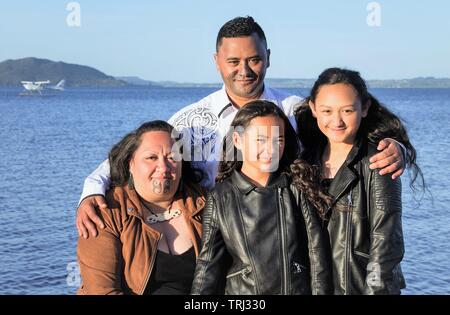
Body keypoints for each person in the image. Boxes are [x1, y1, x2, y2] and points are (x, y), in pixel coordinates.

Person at [76, 16, 405, 239]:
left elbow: (349, 123)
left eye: (254, 59)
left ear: (268, 57)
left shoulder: (295, 112)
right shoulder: (191, 122)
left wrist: (398, 148)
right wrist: (91, 192)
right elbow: (133, 157)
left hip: (287, 244)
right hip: (213, 243)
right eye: (233, 61)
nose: (244, 70)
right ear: (217, 61)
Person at [295, 68, 424, 294]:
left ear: (364, 108)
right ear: (313, 109)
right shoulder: (305, 162)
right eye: (326, 110)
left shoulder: (379, 162)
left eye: (347, 110)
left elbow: (386, 245)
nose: (337, 120)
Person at [191, 100, 332, 294]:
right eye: (260, 140)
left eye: (278, 140)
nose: (271, 149)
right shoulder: (220, 196)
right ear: (238, 140)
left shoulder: (298, 187)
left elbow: (318, 259)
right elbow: (208, 266)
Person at [77, 121, 206, 294]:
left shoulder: (205, 205)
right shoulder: (107, 212)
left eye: (172, 158)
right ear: (131, 164)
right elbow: (101, 291)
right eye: (151, 158)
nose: (163, 167)